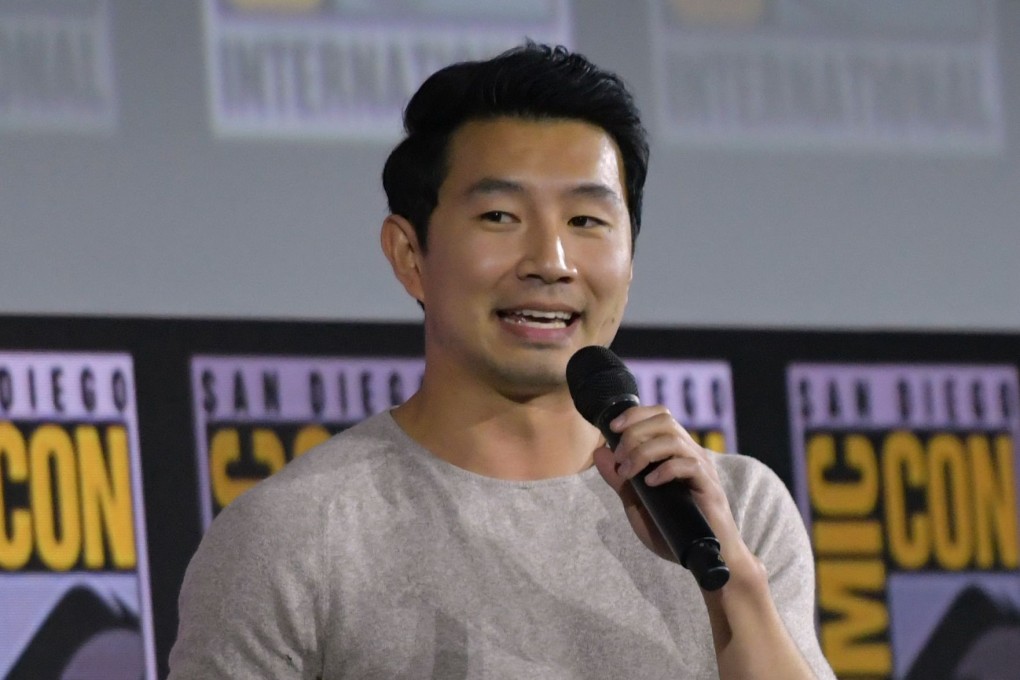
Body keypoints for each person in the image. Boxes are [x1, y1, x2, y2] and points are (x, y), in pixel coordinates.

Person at [168, 42, 835, 679]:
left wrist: (733, 584)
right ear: (409, 256)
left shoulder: (736, 511)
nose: (551, 262)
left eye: (586, 222)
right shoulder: (294, 536)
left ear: (631, 259)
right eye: (499, 216)